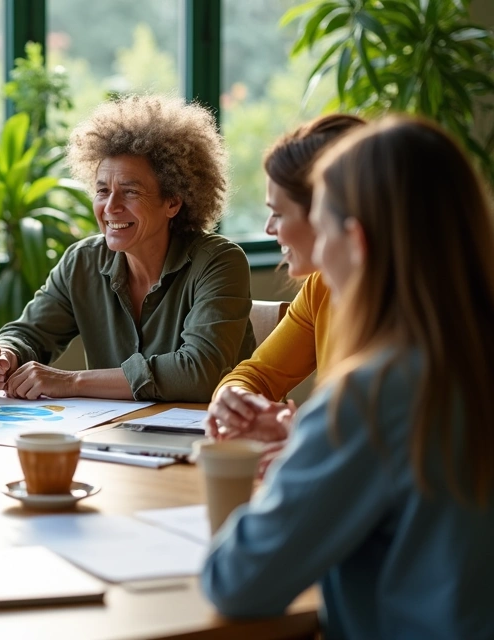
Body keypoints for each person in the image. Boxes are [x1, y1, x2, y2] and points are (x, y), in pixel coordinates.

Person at [201, 117, 494, 638]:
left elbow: (235, 580)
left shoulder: (374, 392)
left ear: (355, 240)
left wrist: (301, 456)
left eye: (321, 220)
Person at [0, 95, 255, 402]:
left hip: (217, 440)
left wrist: (72, 381)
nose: (110, 207)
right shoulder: (82, 262)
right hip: (118, 439)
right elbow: (30, 334)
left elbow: (199, 372)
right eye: (102, 191)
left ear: (172, 201)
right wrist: (3, 355)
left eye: (130, 192)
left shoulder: (220, 262)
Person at [205, 114, 366, 471]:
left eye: (278, 213)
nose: (269, 228)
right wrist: (235, 399)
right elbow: (257, 374)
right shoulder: (321, 288)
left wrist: (312, 438)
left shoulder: (417, 323)